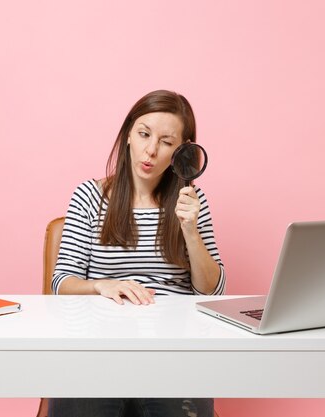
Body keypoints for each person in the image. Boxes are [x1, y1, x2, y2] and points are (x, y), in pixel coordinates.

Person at [48, 90, 225, 417]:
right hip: (99, 350)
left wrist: (190, 230)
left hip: (173, 352)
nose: (151, 150)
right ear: (128, 134)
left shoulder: (191, 200)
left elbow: (211, 289)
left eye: (166, 142)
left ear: (181, 150)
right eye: (144, 134)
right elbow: (62, 282)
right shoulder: (89, 196)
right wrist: (101, 285)